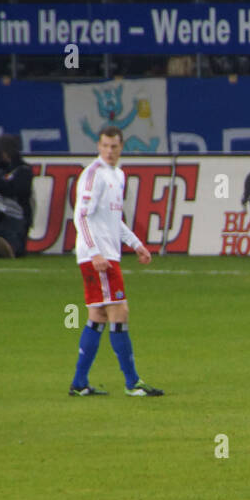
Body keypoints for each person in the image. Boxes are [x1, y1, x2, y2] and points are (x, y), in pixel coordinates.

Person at [68, 126, 164, 398]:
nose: (110, 151)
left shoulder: (118, 175)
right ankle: (132, 382)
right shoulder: (93, 174)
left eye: (115, 147)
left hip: (106, 255)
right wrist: (94, 251)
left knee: (98, 316)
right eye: (105, 146)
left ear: (122, 148)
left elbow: (113, 220)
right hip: (99, 258)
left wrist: (136, 244)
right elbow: (81, 216)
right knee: (119, 312)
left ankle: (79, 383)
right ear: (98, 147)